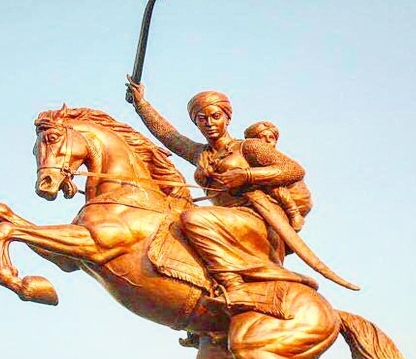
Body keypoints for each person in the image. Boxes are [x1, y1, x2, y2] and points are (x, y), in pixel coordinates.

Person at [126, 77, 317, 315]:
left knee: (193, 219)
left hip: (256, 217)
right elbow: (169, 136)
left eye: (215, 116)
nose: (209, 123)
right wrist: (141, 105)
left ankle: (235, 286)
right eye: (201, 119)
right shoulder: (199, 153)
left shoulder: (248, 147)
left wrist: (246, 175)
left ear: (227, 118)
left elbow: (294, 169)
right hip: (228, 219)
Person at [243, 121, 312, 232]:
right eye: (262, 137)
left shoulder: (273, 159)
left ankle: (294, 214)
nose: (267, 140)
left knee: (268, 179)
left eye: (271, 137)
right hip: (277, 202)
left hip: (298, 201)